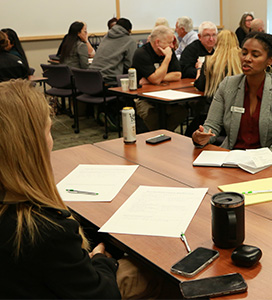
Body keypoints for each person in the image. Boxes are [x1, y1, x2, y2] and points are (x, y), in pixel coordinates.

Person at [0, 79, 164, 298]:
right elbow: (101, 295)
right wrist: (101, 261)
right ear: (32, 145)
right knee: (156, 273)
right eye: (49, 132)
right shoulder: (44, 228)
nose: (52, 142)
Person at [192, 32, 272, 170]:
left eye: (255, 55)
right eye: (244, 53)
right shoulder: (228, 85)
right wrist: (201, 137)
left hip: (271, 162)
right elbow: (212, 127)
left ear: (270, 60)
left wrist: (254, 162)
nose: (247, 59)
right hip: (233, 159)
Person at [187, 30, 242, 136]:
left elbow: (200, 85)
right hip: (236, 113)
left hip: (211, 113)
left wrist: (199, 68)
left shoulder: (210, 61)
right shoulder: (242, 61)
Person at [132, 25, 186, 131]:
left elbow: (177, 75)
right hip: (143, 99)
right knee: (153, 116)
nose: (172, 46)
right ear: (157, 42)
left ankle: (165, 134)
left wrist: (153, 78)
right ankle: (160, 136)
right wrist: (167, 59)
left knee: (181, 112)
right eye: (169, 42)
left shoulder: (168, 51)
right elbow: (156, 80)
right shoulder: (141, 53)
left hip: (164, 95)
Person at [90, 18, 137, 85]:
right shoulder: (130, 41)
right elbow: (129, 64)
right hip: (108, 81)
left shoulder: (106, 37)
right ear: (129, 30)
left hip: (91, 79)